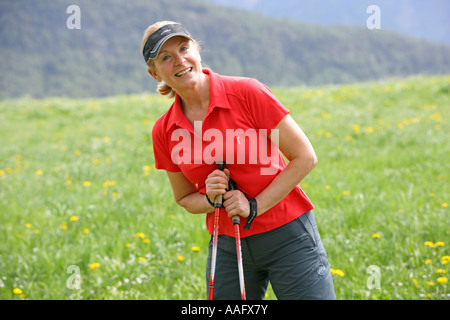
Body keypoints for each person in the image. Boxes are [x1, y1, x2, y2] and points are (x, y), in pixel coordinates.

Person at [142, 20, 336, 300]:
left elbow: (305, 158)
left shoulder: (247, 93)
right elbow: (184, 198)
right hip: (227, 246)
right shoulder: (164, 131)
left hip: (287, 235)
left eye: (184, 48)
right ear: (154, 73)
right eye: (166, 57)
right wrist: (211, 198)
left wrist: (254, 205)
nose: (180, 60)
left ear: (196, 49)